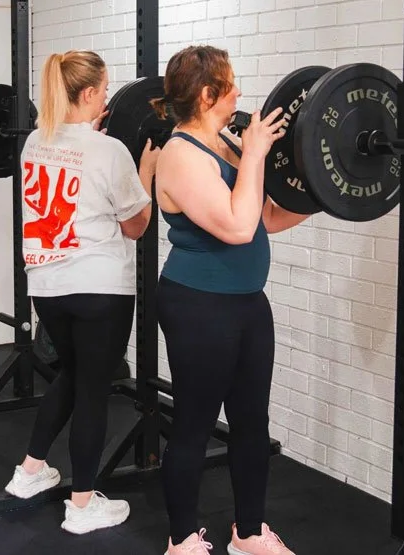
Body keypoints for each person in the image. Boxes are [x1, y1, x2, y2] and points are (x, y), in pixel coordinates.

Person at [150, 45, 313, 555]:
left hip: (246, 303)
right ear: (207, 94)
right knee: (195, 423)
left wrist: (327, 195)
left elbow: (264, 216)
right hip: (198, 304)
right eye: (231, 83)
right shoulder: (179, 155)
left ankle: (249, 532)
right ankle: (181, 540)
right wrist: (258, 153)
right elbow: (238, 228)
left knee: (252, 421)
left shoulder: (224, 143)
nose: (240, 93)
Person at [2, 50, 159, 536]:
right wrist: (145, 171)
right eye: (104, 90)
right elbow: (136, 225)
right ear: (88, 94)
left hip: (48, 287)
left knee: (72, 373)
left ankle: (30, 471)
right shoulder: (111, 153)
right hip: (99, 289)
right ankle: (82, 503)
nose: (108, 97)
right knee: (94, 387)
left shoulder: (34, 142)